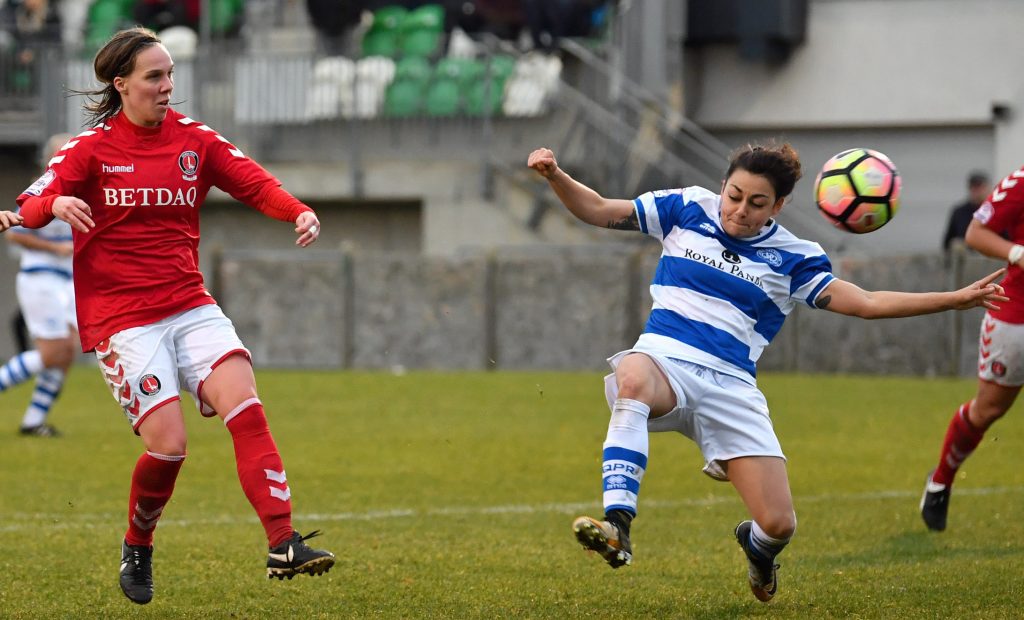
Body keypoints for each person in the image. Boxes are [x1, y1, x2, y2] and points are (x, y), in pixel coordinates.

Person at [526, 143, 1007, 603]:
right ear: (723, 186)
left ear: (778, 205)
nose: (740, 210)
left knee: (779, 524)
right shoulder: (685, 207)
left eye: (757, 204)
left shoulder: (795, 257)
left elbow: (867, 302)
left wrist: (955, 299)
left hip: (731, 387)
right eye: (734, 196)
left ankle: (757, 549)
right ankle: (617, 526)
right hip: (663, 360)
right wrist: (556, 175)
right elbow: (597, 209)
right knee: (631, 379)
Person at [15, 27, 334, 605]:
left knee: (246, 406)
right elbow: (31, 204)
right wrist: (55, 202)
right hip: (123, 320)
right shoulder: (89, 149)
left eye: (170, 75)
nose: (167, 86)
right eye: (154, 76)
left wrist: (297, 211)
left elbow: (254, 183)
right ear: (121, 84)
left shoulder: (194, 140)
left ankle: (283, 542)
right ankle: (138, 542)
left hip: (190, 305)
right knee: (169, 447)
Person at [920, 164, 1023, 532]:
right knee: (988, 410)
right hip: (1017, 317)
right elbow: (976, 233)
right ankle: (941, 481)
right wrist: (1017, 253)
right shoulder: (1021, 182)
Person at [1, 133, 76, 437]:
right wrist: (55, 249)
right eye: (62, 153)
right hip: (40, 277)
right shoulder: (42, 189)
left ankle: (34, 420)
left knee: (67, 352)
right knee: (52, 352)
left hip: (69, 282)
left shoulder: (85, 190)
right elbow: (13, 232)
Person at [943, 171, 992, 253]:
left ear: (988, 188)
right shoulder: (959, 212)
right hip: (966, 258)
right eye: (973, 187)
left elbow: (1007, 240)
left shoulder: (997, 211)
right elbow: (947, 242)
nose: (976, 191)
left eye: (980, 187)